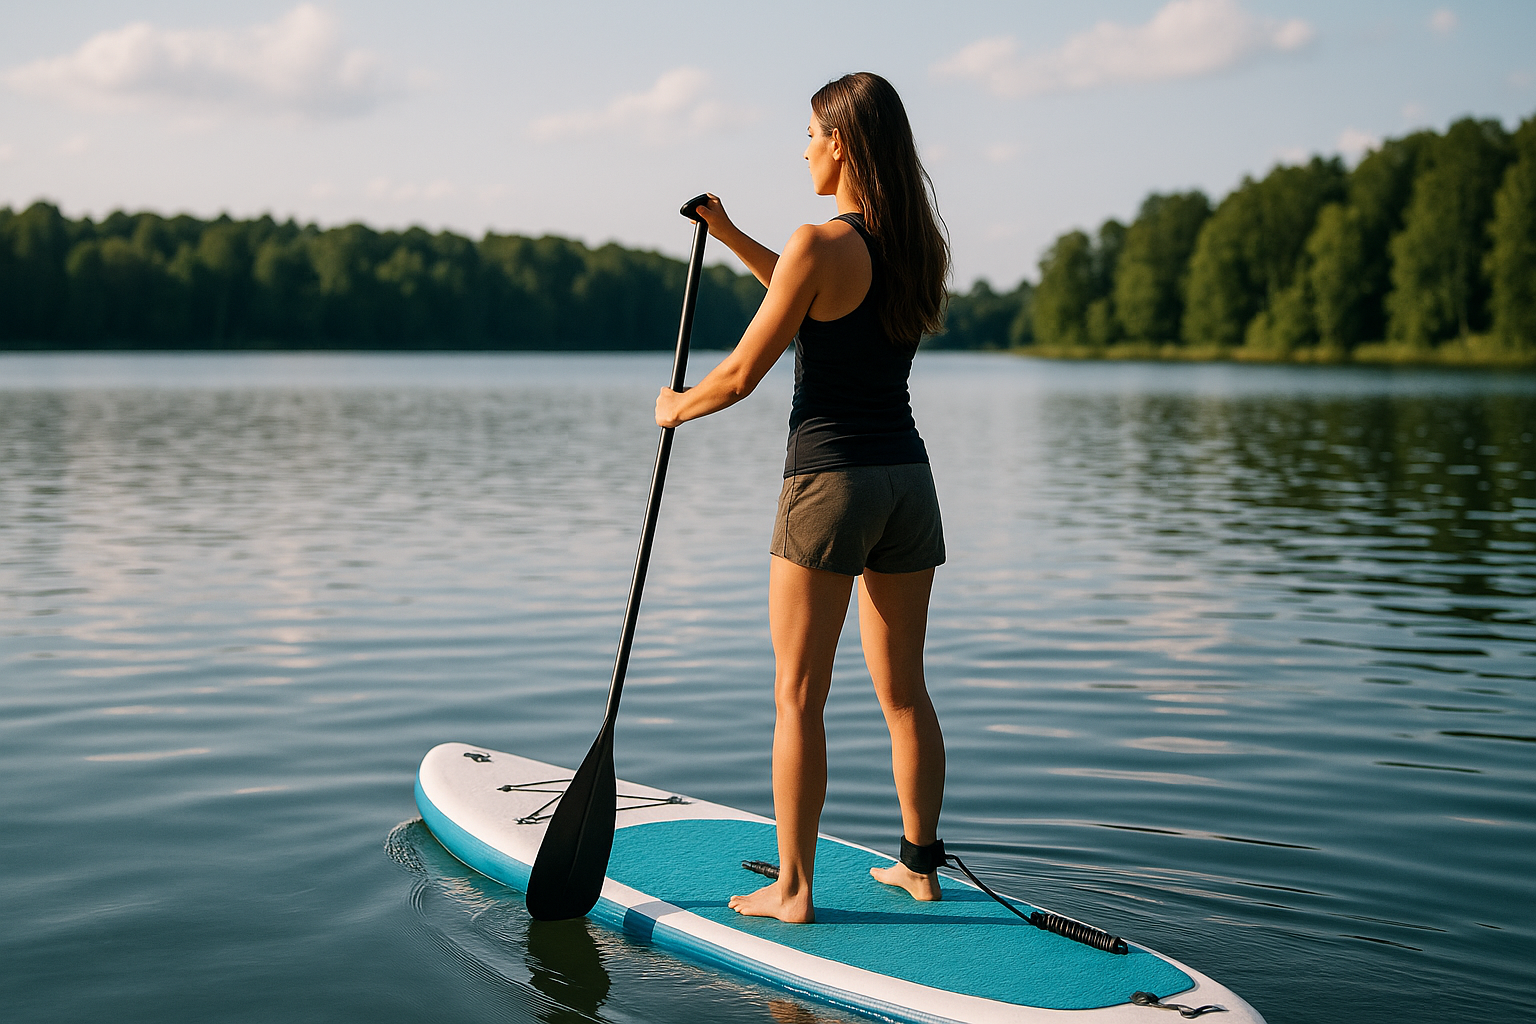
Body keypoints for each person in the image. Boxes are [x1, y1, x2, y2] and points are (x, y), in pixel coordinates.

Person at [654, 72, 949, 924]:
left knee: (798, 695)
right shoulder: (913, 247)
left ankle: (793, 889)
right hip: (907, 483)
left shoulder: (819, 244)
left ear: (843, 145)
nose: (806, 150)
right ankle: (919, 867)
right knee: (905, 693)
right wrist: (731, 234)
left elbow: (742, 374)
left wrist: (675, 406)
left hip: (830, 485)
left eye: (813, 134)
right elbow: (805, 295)